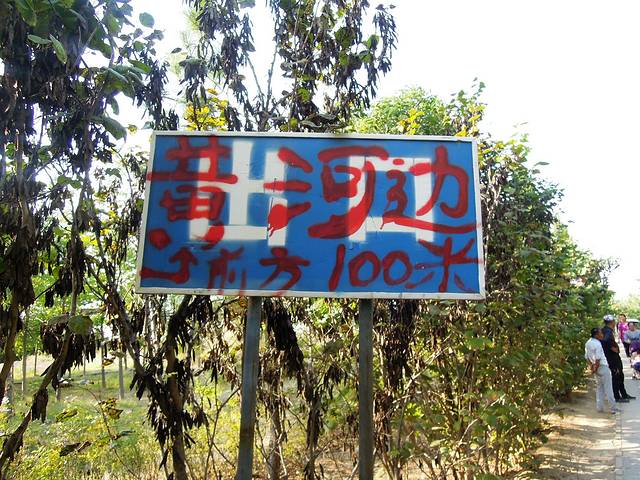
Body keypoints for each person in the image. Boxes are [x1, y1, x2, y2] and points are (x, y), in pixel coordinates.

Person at [585, 327, 620, 413]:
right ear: (596, 335)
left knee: (599, 388)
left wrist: (592, 367)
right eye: (600, 333)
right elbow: (598, 358)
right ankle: (613, 408)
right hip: (602, 367)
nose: (602, 334)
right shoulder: (598, 344)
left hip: (595, 367)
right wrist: (595, 368)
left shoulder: (588, 343)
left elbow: (587, 356)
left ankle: (599, 408)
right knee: (608, 388)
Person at [602, 314, 635, 402]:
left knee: (620, 375)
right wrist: (613, 348)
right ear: (612, 322)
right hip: (612, 357)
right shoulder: (607, 331)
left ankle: (623, 394)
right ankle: (616, 396)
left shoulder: (606, 330)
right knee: (616, 376)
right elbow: (606, 341)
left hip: (612, 356)